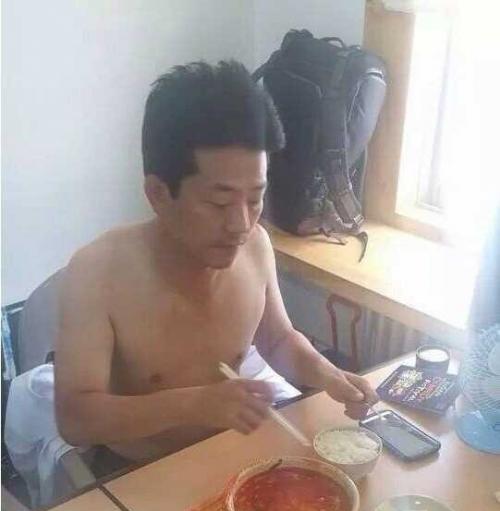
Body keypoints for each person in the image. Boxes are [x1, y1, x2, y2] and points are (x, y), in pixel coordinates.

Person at [55, 61, 377, 463]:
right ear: (158, 194)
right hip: (140, 471)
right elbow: (75, 419)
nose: (241, 224)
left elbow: (277, 339)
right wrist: (194, 404)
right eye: (219, 202)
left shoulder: (256, 246)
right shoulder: (96, 274)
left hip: (228, 454)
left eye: (255, 198)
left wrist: (329, 376)